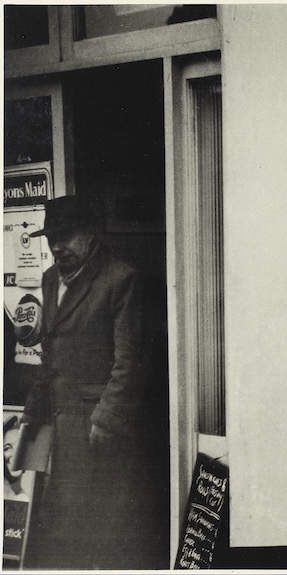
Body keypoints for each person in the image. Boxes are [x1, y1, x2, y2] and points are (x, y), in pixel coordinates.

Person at [19, 195, 168, 569]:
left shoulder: (121, 279)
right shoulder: (51, 279)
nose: (56, 246)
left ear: (91, 234)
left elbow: (131, 361)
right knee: (65, 524)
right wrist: (34, 410)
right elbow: (50, 351)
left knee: (103, 526)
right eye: (51, 237)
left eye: (65, 235)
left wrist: (106, 418)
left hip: (97, 430)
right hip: (59, 423)